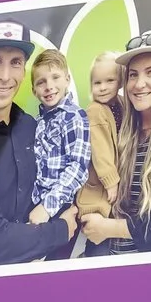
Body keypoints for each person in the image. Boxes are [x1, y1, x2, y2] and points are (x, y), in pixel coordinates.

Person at [0, 19, 75, 269]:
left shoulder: (35, 127)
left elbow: (63, 187)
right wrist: (60, 230)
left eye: (15, 63)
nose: (6, 76)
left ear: (23, 72)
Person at [79, 31, 151, 257]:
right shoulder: (123, 130)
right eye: (132, 75)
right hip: (110, 263)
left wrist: (108, 228)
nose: (139, 84)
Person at [26, 48, 90, 230]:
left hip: (58, 206)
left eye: (55, 77)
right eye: (41, 82)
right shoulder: (38, 123)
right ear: (34, 90)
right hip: (36, 203)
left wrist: (47, 207)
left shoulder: (74, 117)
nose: (49, 86)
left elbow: (78, 168)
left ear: (67, 80)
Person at [73, 51, 124, 222]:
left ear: (121, 81)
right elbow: (100, 149)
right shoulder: (95, 111)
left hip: (114, 181)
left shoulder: (119, 105)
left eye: (110, 81)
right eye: (97, 83)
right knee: (96, 224)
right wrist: (110, 181)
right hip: (101, 185)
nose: (102, 87)